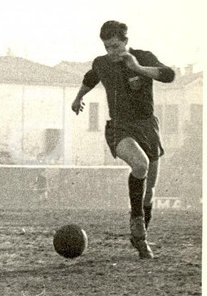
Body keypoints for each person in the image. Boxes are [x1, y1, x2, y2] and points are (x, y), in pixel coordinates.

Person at [71, 20, 175, 259]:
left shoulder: (142, 57)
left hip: (148, 127)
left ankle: (140, 240)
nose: (112, 52)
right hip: (120, 127)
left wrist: (137, 67)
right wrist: (78, 98)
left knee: (149, 193)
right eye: (107, 47)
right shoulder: (102, 63)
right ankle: (137, 224)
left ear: (126, 42)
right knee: (140, 165)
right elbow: (90, 77)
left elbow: (169, 75)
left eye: (116, 46)